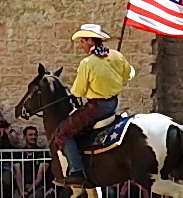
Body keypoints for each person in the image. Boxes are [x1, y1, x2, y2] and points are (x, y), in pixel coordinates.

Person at [51, 23, 134, 187]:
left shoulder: (87, 63)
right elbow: (130, 74)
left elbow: (78, 91)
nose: (81, 45)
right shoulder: (116, 55)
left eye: (82, 41)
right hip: (114, 103)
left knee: (63, 132)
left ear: (90, 40)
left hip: (97, 107)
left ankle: (76, 171)